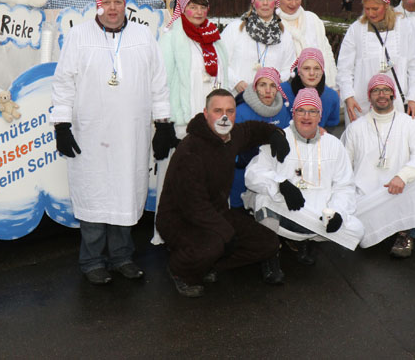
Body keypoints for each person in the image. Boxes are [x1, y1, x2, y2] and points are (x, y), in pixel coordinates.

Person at [51, 0, 171, 286]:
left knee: (125, 193)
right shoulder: (79, 36)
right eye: (107, 3)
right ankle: (92, 261)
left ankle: (122, 257)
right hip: (90, 134)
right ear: (98, 5)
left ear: (125, 5)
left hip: (131, 135)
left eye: (118, 2)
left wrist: (163, 123)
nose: (113, 8)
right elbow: (63, 83)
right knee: (94, 193)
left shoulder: (143, 36)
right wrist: (61, 125)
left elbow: (158, 82)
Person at [156, 89, 291, 297]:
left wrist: (275, 134)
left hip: (215, 214)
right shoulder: (190, 151)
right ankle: (180, 269)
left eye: (230, 111)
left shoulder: (231, 135)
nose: (224, 117)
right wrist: (225, 232)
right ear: (206, 113)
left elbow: (252, 129)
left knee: (268, 243)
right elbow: (194, 207)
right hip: (180, 220)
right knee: (215, 244)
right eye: (218, 111)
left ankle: (208, 265)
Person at [244, 88, 364, 267]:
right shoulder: (279, 138)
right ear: (294, 113)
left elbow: (344, 186)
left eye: (312, 111)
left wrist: (337, 212)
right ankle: (269, 257)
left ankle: (306, 241)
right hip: (284, 207)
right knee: (262, 198)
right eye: (301, 110)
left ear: (319, 116)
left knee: (356, 230)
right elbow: (253, 173)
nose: (306, 116)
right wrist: (280, 184)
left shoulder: (333, 145)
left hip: (317, 213)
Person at [151, 0, 229, 243]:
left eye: (202, 7)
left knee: (209, 179)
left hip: (213, 124)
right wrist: (164, 122)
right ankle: (169, 233)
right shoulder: (171, 37)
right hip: (182, 123)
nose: (198, 12)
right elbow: (161, 81)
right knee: (177, 179)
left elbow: (224, 79)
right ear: (182, 9)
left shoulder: (215, 37)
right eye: (192, 7)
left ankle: (209, 231)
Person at [341, 74, 415, 258]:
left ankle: (405, 234)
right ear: (369, 96)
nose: (381, 94)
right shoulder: (355, 128)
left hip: (397, 190)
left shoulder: (410, 123)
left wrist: (402, 176)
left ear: (393, 94)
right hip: (367, 198)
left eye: (386, 90)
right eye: (376, 90)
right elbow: (344, 167)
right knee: (356, 231)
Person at [338, 0, 415, 125]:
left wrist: (414, 97)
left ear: (386, 5)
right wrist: (348, 96)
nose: (370, 13)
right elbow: (344, 68)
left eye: (375, 9)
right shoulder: (356, 29)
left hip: (397, 103)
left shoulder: (404, 27)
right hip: (362, 105)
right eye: (367, 9)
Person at [221, 0, 296, 94]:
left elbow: (289, 68)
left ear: (275, 3)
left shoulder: (284, 35)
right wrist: (236, 82)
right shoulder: (235, 29)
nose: (265, 3)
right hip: (238, 96)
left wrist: (276, 81)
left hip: (270, 97)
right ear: (253, 2)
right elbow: (220, 60)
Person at [230, 67, 292, 208]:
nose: (268, 90)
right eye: (262, 85)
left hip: (272, 170)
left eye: (272, 86)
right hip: (242, 170)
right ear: (255, 87)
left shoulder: (282, 110)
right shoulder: (241, 111)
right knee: (239, 211)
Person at [276, 0, 337, 87]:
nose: (293, 3)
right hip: (289, 85)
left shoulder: (312, 19)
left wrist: (333, 81)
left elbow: (326, 51)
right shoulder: (274, 24)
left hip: (320, 83)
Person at [281, 47, 340, 129]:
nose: (312, 73)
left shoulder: (331, 96)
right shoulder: (282, 91)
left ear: (322, 71)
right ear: (299, 71)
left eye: (316, 68)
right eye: (306, 68)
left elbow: (331, 126)